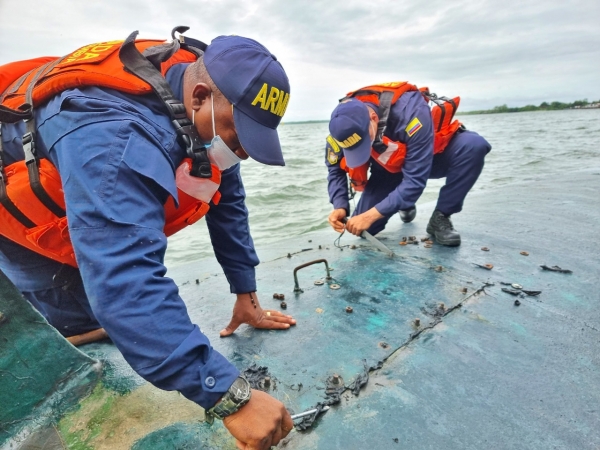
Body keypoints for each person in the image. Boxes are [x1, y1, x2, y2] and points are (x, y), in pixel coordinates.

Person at [0, 29, 295, 449]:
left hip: (85, 187)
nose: (243, 153)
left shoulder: (204, 113)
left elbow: (226, 198)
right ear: (198, 98)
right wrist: (231, 397)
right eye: (238, 136)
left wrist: (245, 292)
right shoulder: (114, 136)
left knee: (119, 319)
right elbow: (125, 281)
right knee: (78, 326)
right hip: (21, 211)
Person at [325, 81, 492, 246]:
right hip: (387, 169)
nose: (362, 148)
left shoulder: (411, 112)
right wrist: (340, 206)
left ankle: (441, 215)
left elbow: (415, 180)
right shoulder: (341, 126)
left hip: (424, 159)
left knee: (474, 146)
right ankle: (402, 201)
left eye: (364, 141)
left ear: (374, 118)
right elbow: (335, 169)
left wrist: (369, 216)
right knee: (364, 230)